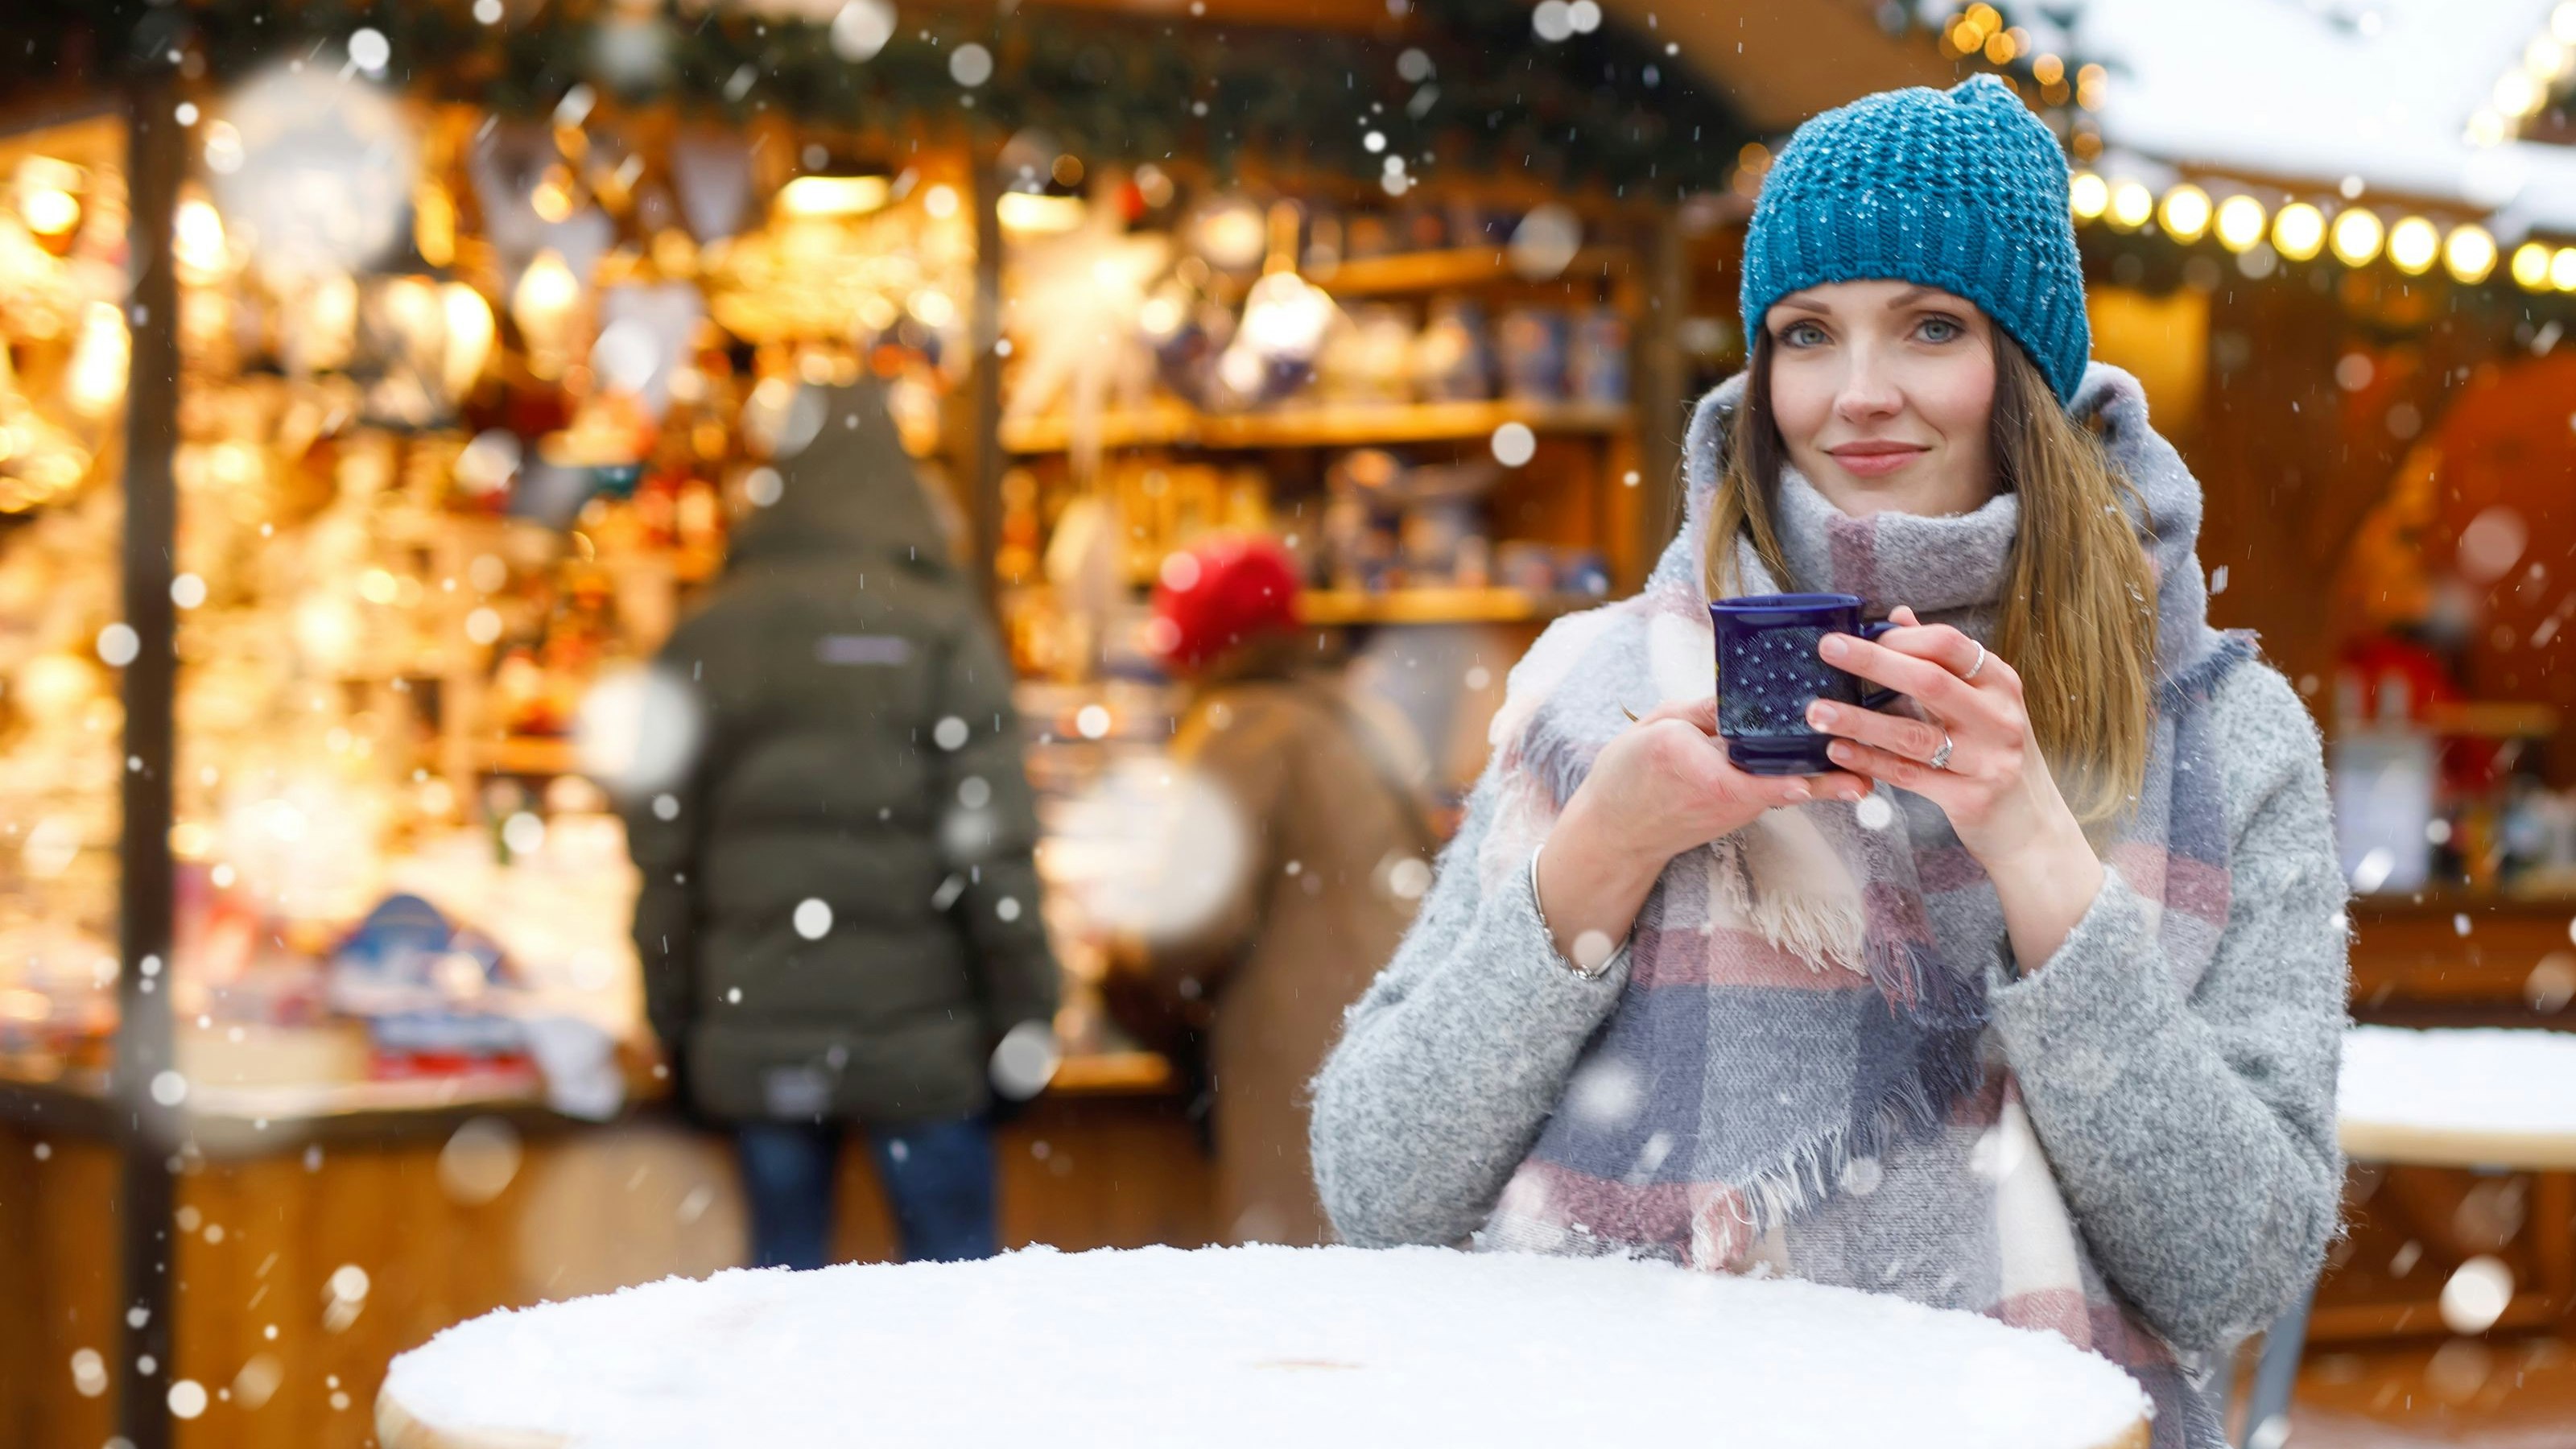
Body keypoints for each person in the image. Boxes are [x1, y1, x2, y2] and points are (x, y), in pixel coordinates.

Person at [1309, 76, 2346, 1449]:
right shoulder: (1597, 685)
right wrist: (1601, 857)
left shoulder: (2217, 734)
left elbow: (2234, 1269)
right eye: (1807, 335)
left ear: (2024, 370)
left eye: (1929, 326)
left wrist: (2034, 847)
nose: (1858, 396)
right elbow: (1376, 1186)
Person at [621, 378, 1059, 1270]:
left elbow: (662, 859)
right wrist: (1026, 1012)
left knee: (781, 1313)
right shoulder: (940, 630)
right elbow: (993, 854)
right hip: (921, 1042)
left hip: (758, 1034)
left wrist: (675, 1025)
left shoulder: (709, 635)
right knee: (958, 1313)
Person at [1104, 534, 1438, 1246]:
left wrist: (1120, 967)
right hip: (1393, 1043)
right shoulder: (1355, 710)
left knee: (1294, 1290)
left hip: (1302, 1059)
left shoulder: (1241, 726)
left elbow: (1189, 928)